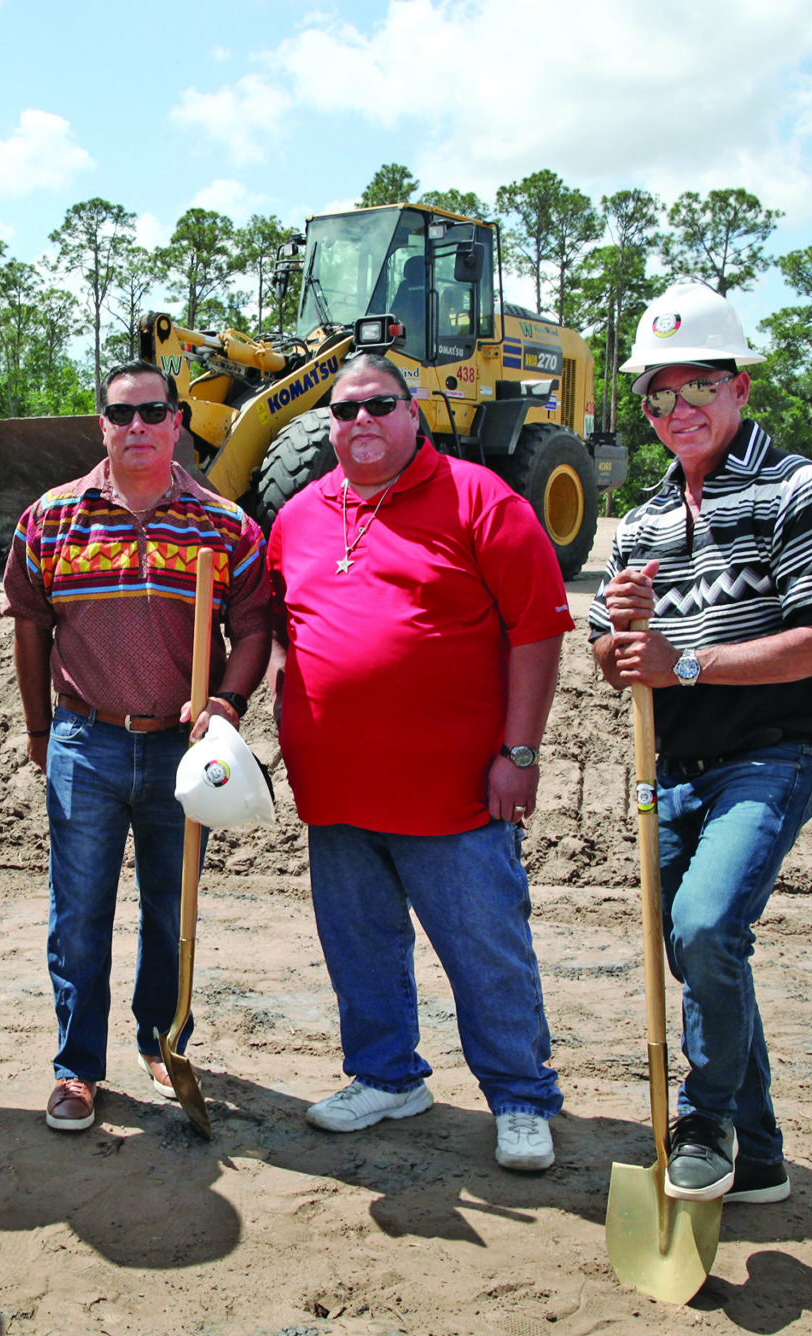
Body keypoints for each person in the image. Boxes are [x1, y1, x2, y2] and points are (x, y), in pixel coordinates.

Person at [590, 282, 812, 1205]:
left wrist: (691, 664)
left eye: (698, 387)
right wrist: (618, 635)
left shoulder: (800, 490)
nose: (679, 410)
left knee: (709, 925)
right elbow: (612, 655)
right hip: (669, 768)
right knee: (690, 947)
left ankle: (703, 1117)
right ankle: (757, 1153)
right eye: (658, 395)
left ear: (740, 388)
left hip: (771, 753)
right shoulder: (640, 519)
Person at [267, 351, 567, 1172]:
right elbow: (288, 637)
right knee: (358, 944)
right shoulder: (297, 517)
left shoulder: (483, 500)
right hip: (335, 790)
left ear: (414, 412)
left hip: (457, 791)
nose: (361, 421)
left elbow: (537, 630)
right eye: (345, 409)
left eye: (379, 405)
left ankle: (520, 1097)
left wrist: (521, 751)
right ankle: (386, 1075)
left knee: (484, 946)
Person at [3, 360, 271, 1132]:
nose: (139, 428)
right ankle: (76, 1067)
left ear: (177, 423)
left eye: (154, 413)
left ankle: (161, 1039)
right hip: (87, 740)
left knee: (169, 907)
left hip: (182, 750)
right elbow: (30, 624)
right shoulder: (53, 520)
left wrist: (226, 700)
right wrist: (36, 727)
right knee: (79, 913)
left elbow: (254, 624)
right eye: (123, 415)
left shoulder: (223, 525)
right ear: (103, 426)